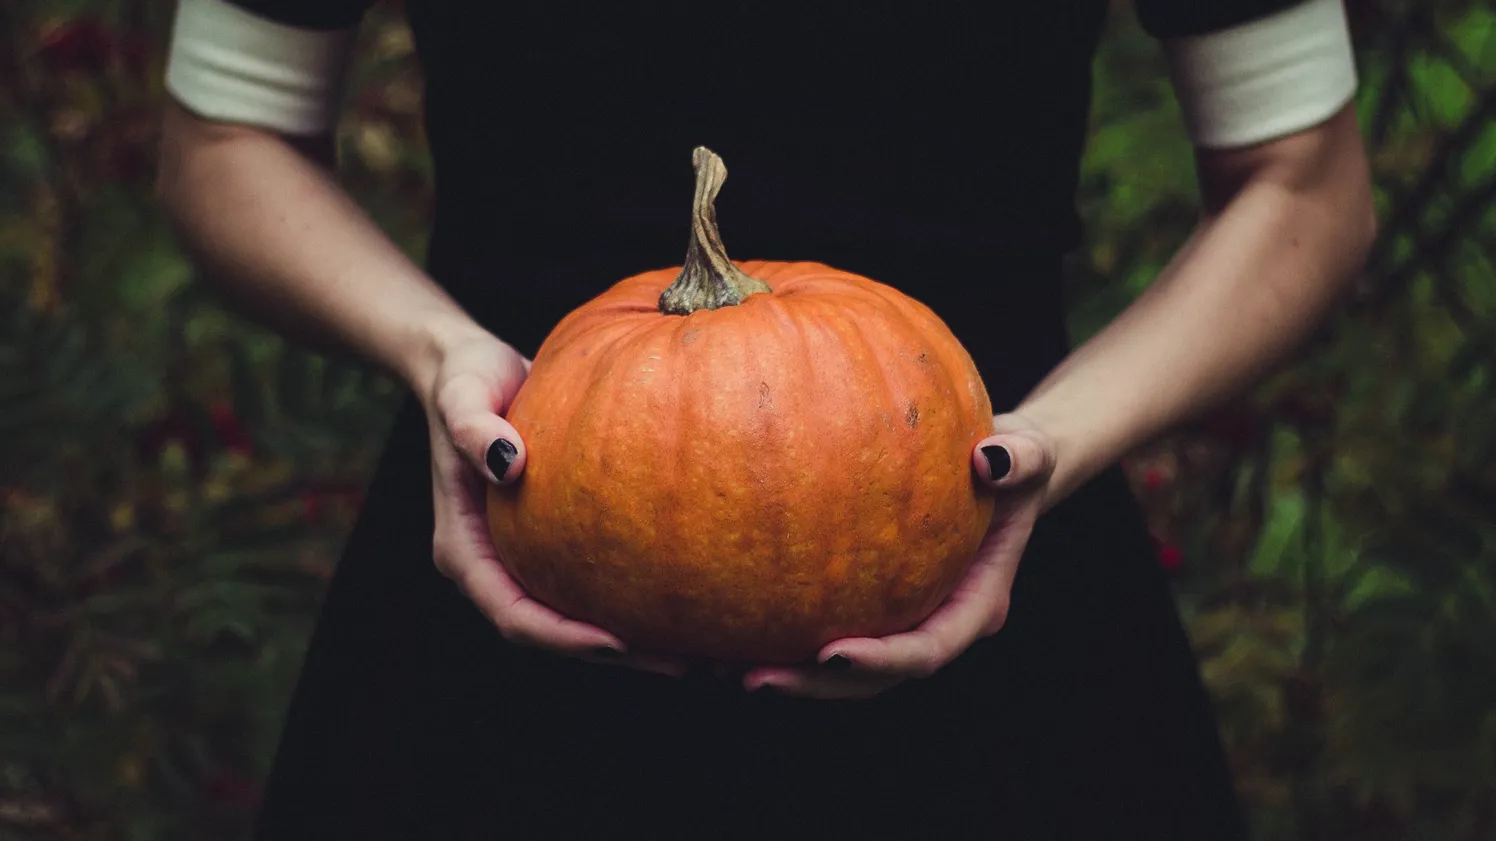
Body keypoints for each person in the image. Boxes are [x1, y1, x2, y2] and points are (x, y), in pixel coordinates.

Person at [156, 0, 1376, 838]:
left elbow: (1304, 182)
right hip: (514, 524)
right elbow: (224, 138)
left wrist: (1050, 442)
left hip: (989, 547)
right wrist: (438, 357)